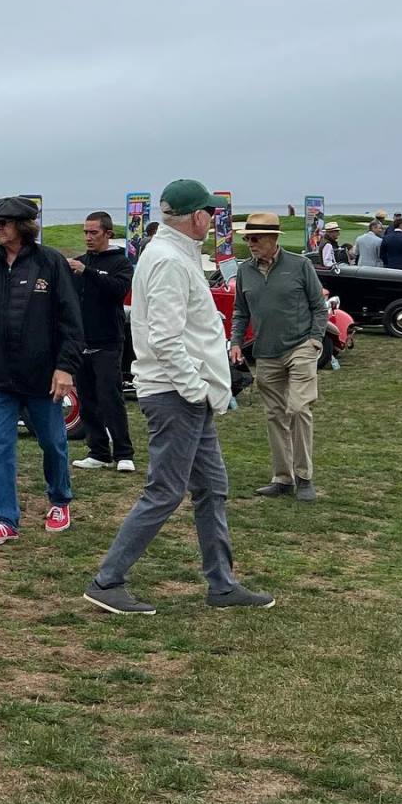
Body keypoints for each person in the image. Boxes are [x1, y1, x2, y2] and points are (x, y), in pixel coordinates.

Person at [82, 179, 275, 616]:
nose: (213, 219)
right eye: (209, 212)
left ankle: (222, 585)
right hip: (175, 393)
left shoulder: (172, 254)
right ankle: (107, 580)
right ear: (197, 216)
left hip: (184, 392)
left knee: (212, 487)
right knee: (166, 491)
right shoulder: (170, 260)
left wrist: (200, 390)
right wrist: (195, 389)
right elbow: (165, 338)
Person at [0, 196, 82, 546]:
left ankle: (59, 499)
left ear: (24, 225)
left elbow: (70, 320)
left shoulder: (51, 263)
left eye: (3, 222)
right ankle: (4, 520)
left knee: (52, 443)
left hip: (42, 376)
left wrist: (65, 367)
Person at [230, 211, 328, 503]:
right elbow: (240, 311)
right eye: (247, 238)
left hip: (301, 348)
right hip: (266, 353)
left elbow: (319, 307)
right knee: (275, 415)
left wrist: (314, 341)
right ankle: (282, 478)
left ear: (274, 239)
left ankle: (304, 477)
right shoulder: (244, 270)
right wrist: (235, 341)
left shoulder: (299, 265)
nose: (250, 242)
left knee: (298, 409)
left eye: (255, 237)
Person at [68, 211, 135, 472]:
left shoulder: (120, 263)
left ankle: (124, 453)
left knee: (111, 397)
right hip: (81, 341)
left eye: (93, 232)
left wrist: (88, 272)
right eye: (85, 232)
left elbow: (118, 290)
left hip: (108, 341)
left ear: (107, 233)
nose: (88, 237)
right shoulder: (80, 262)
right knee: (86, 399)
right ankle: (98, 451)